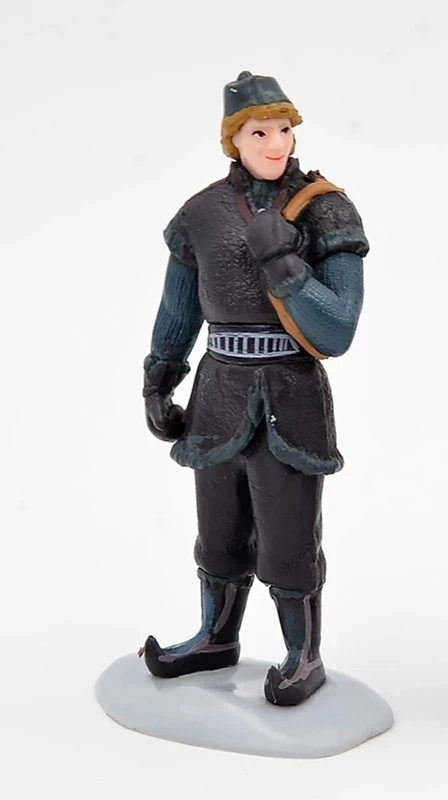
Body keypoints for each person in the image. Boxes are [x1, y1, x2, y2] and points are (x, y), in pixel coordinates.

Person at [138, 71, 369, 706]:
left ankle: (303, 653)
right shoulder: (202, 213)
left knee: (290, 538)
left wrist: (284, 266)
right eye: (259, 132)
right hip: (217, 394)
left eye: (284, 129)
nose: (275, 143)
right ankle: (216, 636)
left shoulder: (326, 209)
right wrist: (159, 378)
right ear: (233, 140)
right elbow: (179, 306)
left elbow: (339, 327)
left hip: (290, 395)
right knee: (219, 532)